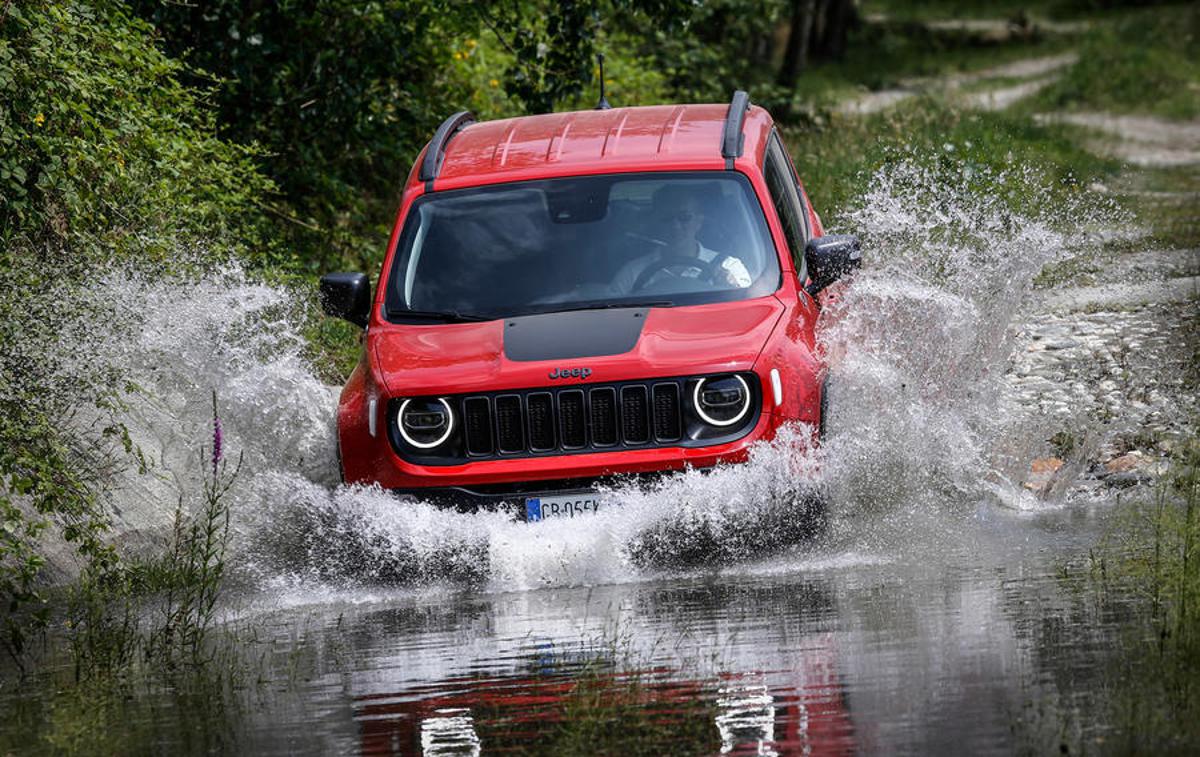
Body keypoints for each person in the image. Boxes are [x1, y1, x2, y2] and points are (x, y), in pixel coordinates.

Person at [612, 184, 752, 294]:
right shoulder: (632, 272)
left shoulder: (729, 267)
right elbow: (612, 315)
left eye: (684, 217)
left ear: (699, 221)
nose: (675, 226)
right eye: (666, 218)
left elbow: (750, 311)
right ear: (656, 222)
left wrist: (731, 290)